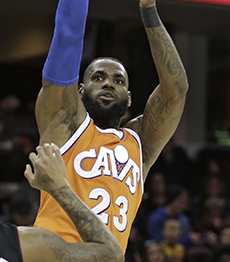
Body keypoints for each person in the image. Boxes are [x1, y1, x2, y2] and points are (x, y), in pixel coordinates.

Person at [33, 0, 188, 252]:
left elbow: (176, 90)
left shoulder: (140, 143)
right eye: (98, 77)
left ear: (129, 98)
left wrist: (148, 10)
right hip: (55, 254)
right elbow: (67, 37)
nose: (109, 84)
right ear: (80, 90)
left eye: (119, 80)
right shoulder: (64, 122)